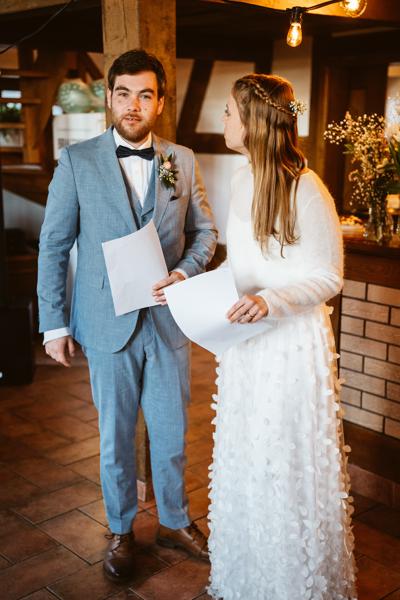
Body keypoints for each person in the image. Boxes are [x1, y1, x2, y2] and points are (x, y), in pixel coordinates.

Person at [37, 49, 217, 583]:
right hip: (105, 323)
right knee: (115, 436)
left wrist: (183, 272)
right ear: (110, 98)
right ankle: (120, 528)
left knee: (172, 431)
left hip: (167, 321)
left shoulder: (181, 159)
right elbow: (54, 246)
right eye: (123, 94)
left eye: (145, 95)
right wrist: (54, 324)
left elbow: (205, 233)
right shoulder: (77, 161)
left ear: (159, 103)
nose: (133, 105)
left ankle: (175, 521)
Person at [207, 74, 357, 600]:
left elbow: (329, 276)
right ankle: (250, 581)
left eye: (229, 111)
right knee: (250, 457)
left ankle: (296, 586)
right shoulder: (242, 178)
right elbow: (242, 263)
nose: (223, 120)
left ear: (252, 121)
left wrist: (272, 300)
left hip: (291, 346)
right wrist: (199, 289)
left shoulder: (306, 188)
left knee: (285, 461)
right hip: (247, 343)